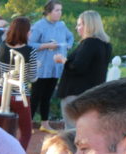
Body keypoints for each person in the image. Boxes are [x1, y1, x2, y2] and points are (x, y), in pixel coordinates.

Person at [55, 11, 112, 127]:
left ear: (89, 25)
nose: (77, 28)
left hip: (76, 94)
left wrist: (63, 60)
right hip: (92, 94)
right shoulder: (105, 45)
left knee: (72, 131)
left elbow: (78, 67)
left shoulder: (89, 43)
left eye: (80, 24)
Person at [0, 16, 38, 150]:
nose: (30, 33)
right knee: (25, 132)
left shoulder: (1, 47)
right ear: (26, 32)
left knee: (1, 132)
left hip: (1, 94)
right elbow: (32, 77)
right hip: (20, 96)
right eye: (29, 31)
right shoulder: (30, 51)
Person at [29, 1, 73, 132]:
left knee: (47, 96)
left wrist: (68, 45)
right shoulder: (38, 26)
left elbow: (70, 37)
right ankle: (28, 124)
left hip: (56, 67)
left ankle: (45, 124)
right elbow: (30, 44)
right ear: (48, 12)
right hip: (41, 67)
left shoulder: (61, 25)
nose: (60, 13)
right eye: (57, 10)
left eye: (61, 10)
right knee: (35, 96)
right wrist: (47, 46)